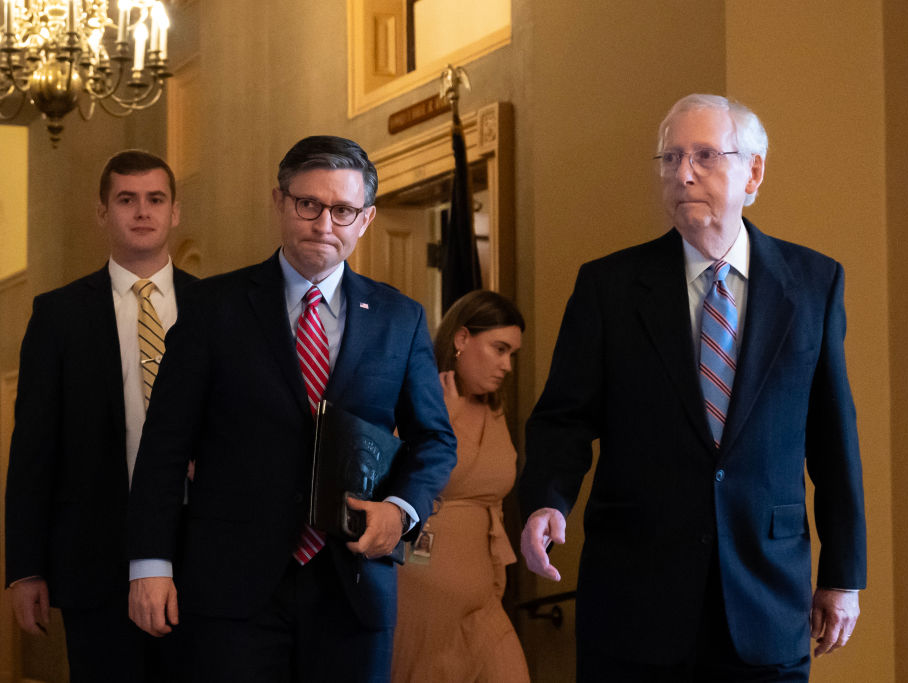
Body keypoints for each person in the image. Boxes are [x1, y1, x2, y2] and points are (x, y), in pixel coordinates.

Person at [518, 94, 867, 681]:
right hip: (635, 602)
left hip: (767, 597)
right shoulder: (610, 287)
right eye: (671, 158)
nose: (683, 173)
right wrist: (547, 500)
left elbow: (834, 439)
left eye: (705, 155)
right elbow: (564, 418)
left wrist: (843, 575)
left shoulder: (813, 283)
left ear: (753, 172)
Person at [125, 135, 457, 682]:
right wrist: (150, 564)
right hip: (232, 586)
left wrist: (401, 509)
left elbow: (435, 439)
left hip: (352, 585)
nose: (325, 224)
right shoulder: (214, 309)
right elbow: (164, 446)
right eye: (309, 204)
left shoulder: (401, 318)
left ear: (367, 218)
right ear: (279, 202)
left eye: (343, 210)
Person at [4, 150, 196, 682]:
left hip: (202, 553)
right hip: (94, 560)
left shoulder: (216, 308)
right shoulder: (59, 315)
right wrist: (25, 568)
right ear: (102, 211)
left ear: (174, 211)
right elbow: (33, 449)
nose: (142, 211)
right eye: (126, 199)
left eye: (155, 199)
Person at [392, 290, 530, 682]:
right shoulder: (419, 398)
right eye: (499, 349)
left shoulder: (494, 408)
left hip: (483, 595)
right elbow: (389, 475)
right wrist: (445, 416)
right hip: (422, 594)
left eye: (511, 355)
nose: (506, 365)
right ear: (462, 339)